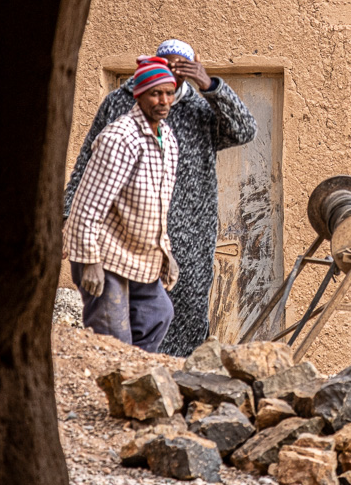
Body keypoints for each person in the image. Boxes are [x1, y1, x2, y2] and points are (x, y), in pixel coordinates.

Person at [64, 38, 257, 355]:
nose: (168, 91)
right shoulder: (121, 109)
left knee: (174, 317)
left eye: (180, 71)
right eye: (166, 68)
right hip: (120, 233)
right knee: (116, 325)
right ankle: (125, 380)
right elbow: (89, 170)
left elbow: (244, 130)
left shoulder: (198, 110)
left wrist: (208, 84)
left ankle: (168, 387)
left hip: (187, 237)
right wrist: (70, 221)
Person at [64, 56, 179, 352]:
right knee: (113, 341)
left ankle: (132, 384)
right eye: (155, 93)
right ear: (139, 95)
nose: (164, 100)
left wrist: (165, 254)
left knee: (158, 315)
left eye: (169, 92)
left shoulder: (166, 137)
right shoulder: (121, 138)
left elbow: (157, 207)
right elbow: (87, 205)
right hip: (105, 254)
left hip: (138, 257)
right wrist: (89, 261)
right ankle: (108, 387)